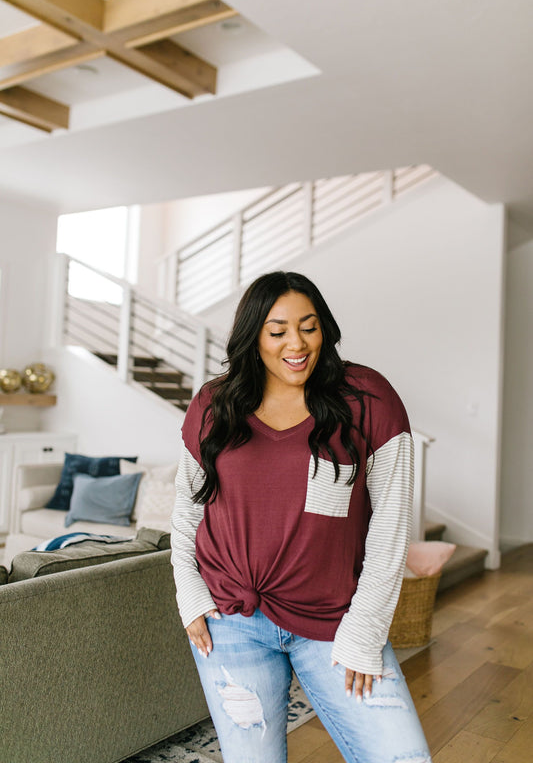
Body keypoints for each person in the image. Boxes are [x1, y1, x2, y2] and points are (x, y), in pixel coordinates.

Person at [171, 271, 432, 763]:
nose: (297, 343)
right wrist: (189, 594)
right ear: (253, 338)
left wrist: (365, 631)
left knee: (404, 757)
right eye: (278, 331)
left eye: (309, 327)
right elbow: (188, 510)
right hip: (231, 622)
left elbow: (391, 525)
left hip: (335, 620)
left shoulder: (368, 398)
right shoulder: (214, 403)